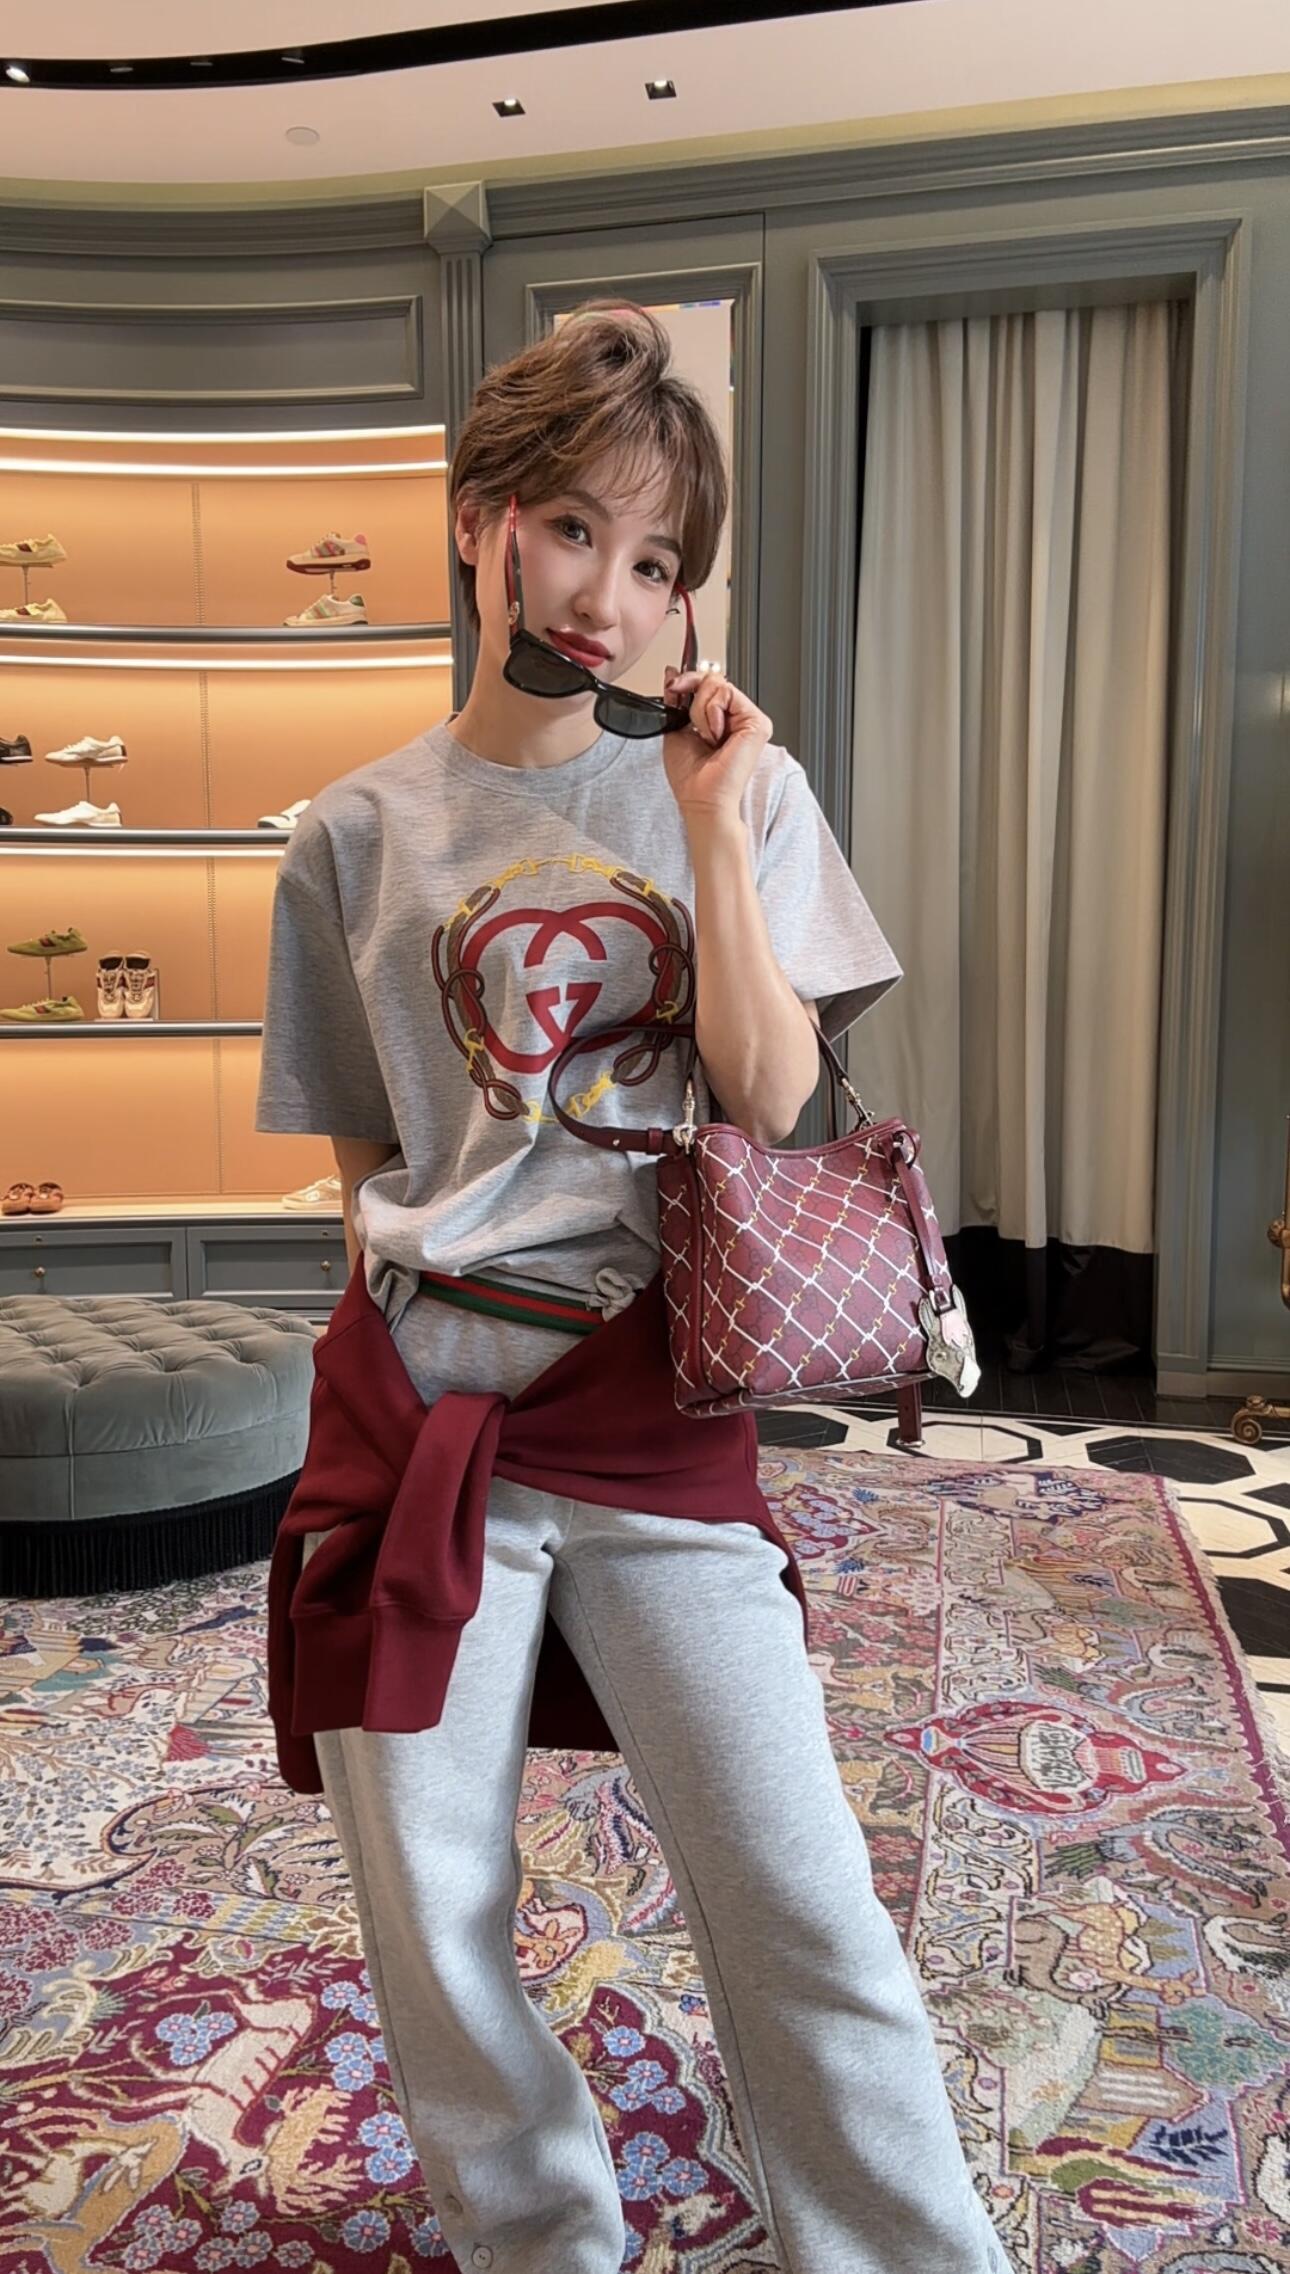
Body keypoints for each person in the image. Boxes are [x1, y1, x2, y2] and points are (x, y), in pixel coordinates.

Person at [255, 302, 1012, 2274]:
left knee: (799, 1890)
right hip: (424, 1422)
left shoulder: (738, 789)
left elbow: (771, 1093)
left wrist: (703, 827)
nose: (612, 593)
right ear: (477, 522)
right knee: (433, 1907)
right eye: (575, 529)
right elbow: (365, 1165)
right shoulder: (349, 835)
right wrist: (403, 1354)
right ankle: (539, 2240)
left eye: (661, 559)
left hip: (657, 1417)